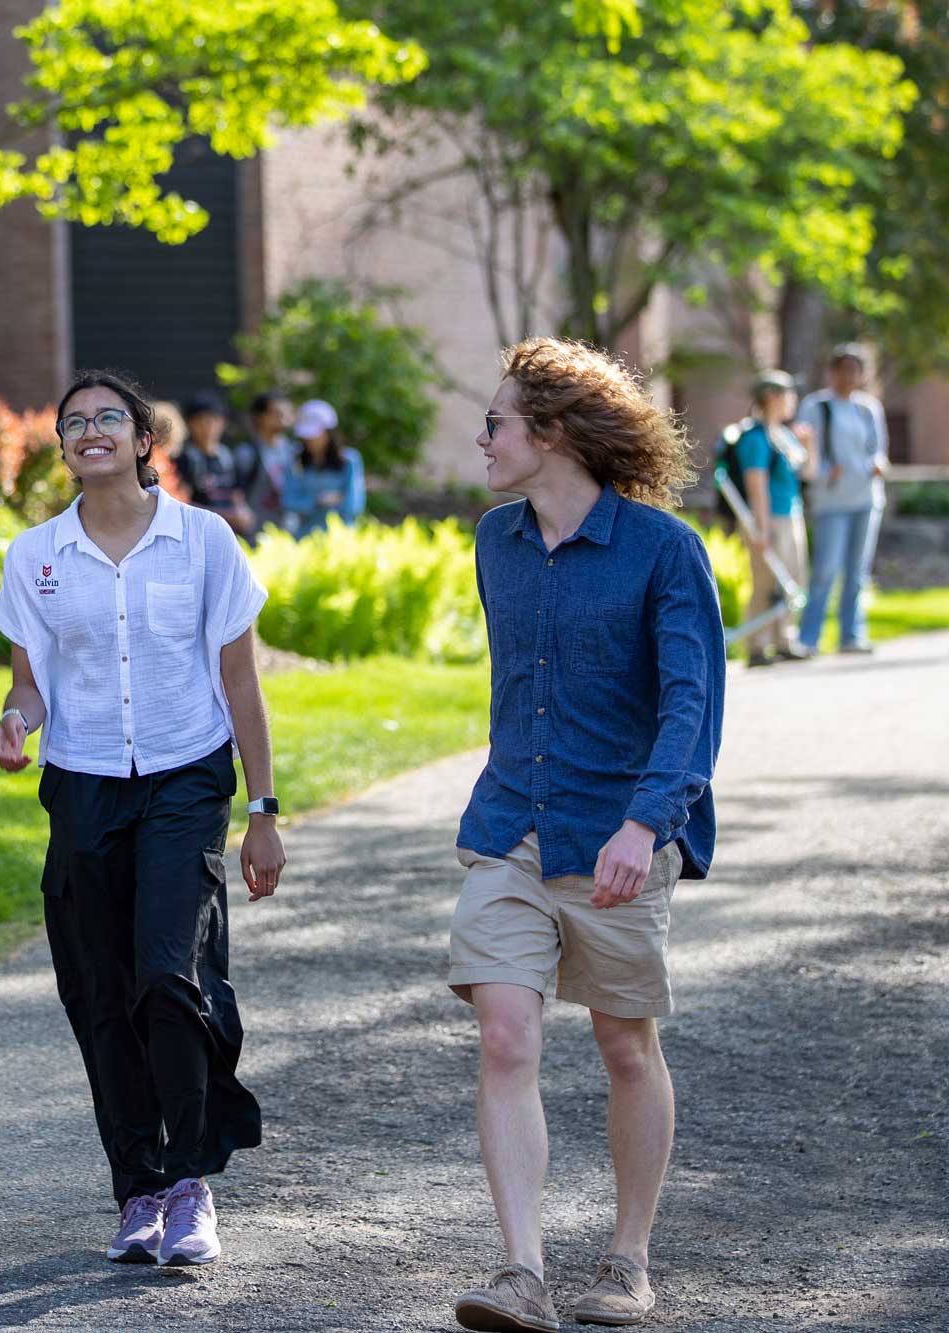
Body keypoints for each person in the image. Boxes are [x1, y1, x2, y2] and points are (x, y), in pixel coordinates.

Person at [449, 338, 724, 1332]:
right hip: (507, 825)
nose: (480, 439)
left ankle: (626, 1259)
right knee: (503, 1030)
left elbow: (690, 704)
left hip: (619, 831)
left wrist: (645, 822)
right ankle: (520, 1271)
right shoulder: (494, 541)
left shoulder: (660, 552)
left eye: (494, 422)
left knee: (620, 1043)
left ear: (552, 432)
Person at [0, 369, 287, 1269]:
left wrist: (263, 809)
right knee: (102, 990)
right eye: (73, 422)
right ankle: (139, 1188)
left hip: (185, 778)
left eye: (107, 417)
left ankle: (191, 1180)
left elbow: (240, 681)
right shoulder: (34, 556)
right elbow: (29, 686)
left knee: (169, 975)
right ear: (64, 448)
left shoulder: (204, 542)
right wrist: (15, 721)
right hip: (82, 788)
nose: (90, 430)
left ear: (143, 438)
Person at [796, 343, 890, 655]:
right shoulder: (816, 406)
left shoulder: (868, 408)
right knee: (825, 570)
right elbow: (804, 451)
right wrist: (825, 471)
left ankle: (851, 635)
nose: (849, 376)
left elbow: (878, 449)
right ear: (832, 372)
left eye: (855, 370)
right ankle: (809, 638)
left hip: (866, 499)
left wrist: (878, 464)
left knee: (857, 571)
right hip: (831, 501)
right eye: (843, 369)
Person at [724, 371, 814, 667]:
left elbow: (810, 473)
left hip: (791, 515)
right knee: (767, 582)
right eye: (789, 395)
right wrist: (761, 530)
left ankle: (784, 639)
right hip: (768, 519)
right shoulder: (755, 438)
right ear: (773, 397)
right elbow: (756, 485)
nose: (793, 401)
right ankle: (758, 645)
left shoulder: (785, 436)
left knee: (793, 580)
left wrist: (810, 445)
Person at [173, 391, 258, 541]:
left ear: (222, 423)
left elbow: (237, 494)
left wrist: (243, 513)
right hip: (199, 535)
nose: (208, 427)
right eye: (201, 421)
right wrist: (226, 516)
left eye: (213, 420)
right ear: (189, 424)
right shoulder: (186, 459)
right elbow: (181, 503)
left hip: (230, 535)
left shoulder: (229, 457)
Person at [278, 398, 366, 536]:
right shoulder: (295, 461)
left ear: (329, 433)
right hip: (304, 536)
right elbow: (288, 501)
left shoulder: (349, 460)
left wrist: (309, 502)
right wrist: (318, 501)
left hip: (340, 536)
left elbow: (354, 504)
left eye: (315, 435)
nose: (310, 440)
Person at [243, 391, 296, 534]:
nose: (283, 418)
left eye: (286, 412)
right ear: (260, 417)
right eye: (276, 413)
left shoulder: (295, 451)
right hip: (256, 532)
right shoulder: (247, 453)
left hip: (290, 529)